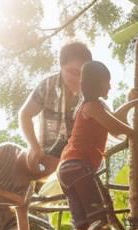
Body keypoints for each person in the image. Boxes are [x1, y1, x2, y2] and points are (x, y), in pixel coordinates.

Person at [57, 60, 138, 230]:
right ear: (97, 83)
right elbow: (116, 128)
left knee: (85, 225)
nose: (110, 87)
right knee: (100, 219)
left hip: (68, 169)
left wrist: (132, 103)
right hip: (78, 167)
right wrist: (137, 135)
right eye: (107, 82)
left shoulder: (97, 107)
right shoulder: (91, 106)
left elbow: (116, 121)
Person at [19, 41, 92, 178]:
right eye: (72, 72)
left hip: (78, 158)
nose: (78, 79)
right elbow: (25, 115)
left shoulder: (91, 90)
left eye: (83, 73)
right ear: (61, 67)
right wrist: (34, 147)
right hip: (46, 155)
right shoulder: (47, 86)